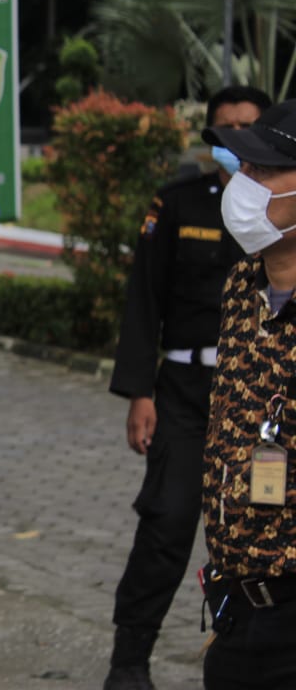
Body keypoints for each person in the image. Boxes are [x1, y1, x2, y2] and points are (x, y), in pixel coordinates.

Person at [102, 85, 269, 690]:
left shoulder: (282, 208)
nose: (234, 141)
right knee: (168, 519)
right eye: (223, 130)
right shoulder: (177, 204)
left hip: (260, 397)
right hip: (184, 391)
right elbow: (143, 299)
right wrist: (139, 393)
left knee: (257, 527)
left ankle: (248, 651)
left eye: (248, 129)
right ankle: (129, 657)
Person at [196, 99, 296, 689]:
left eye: (264, 171)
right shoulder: (242, 284)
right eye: (244, 167)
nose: (243, 184)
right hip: (237, 606)